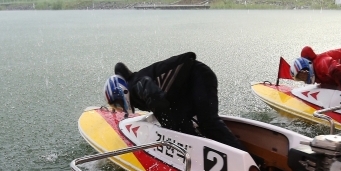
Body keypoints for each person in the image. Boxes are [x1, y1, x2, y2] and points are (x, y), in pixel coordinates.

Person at [105, 52, 245, 150]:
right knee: (183, 125)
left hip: (198, 76)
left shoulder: (137, 86)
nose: (119, 109)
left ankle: (249, 160)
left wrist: (169, 129)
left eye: (117, 104)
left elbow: (157, 100)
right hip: (185, 86)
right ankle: (204, 148)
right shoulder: (134, 85)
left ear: (123, 92)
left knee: (208, 121)